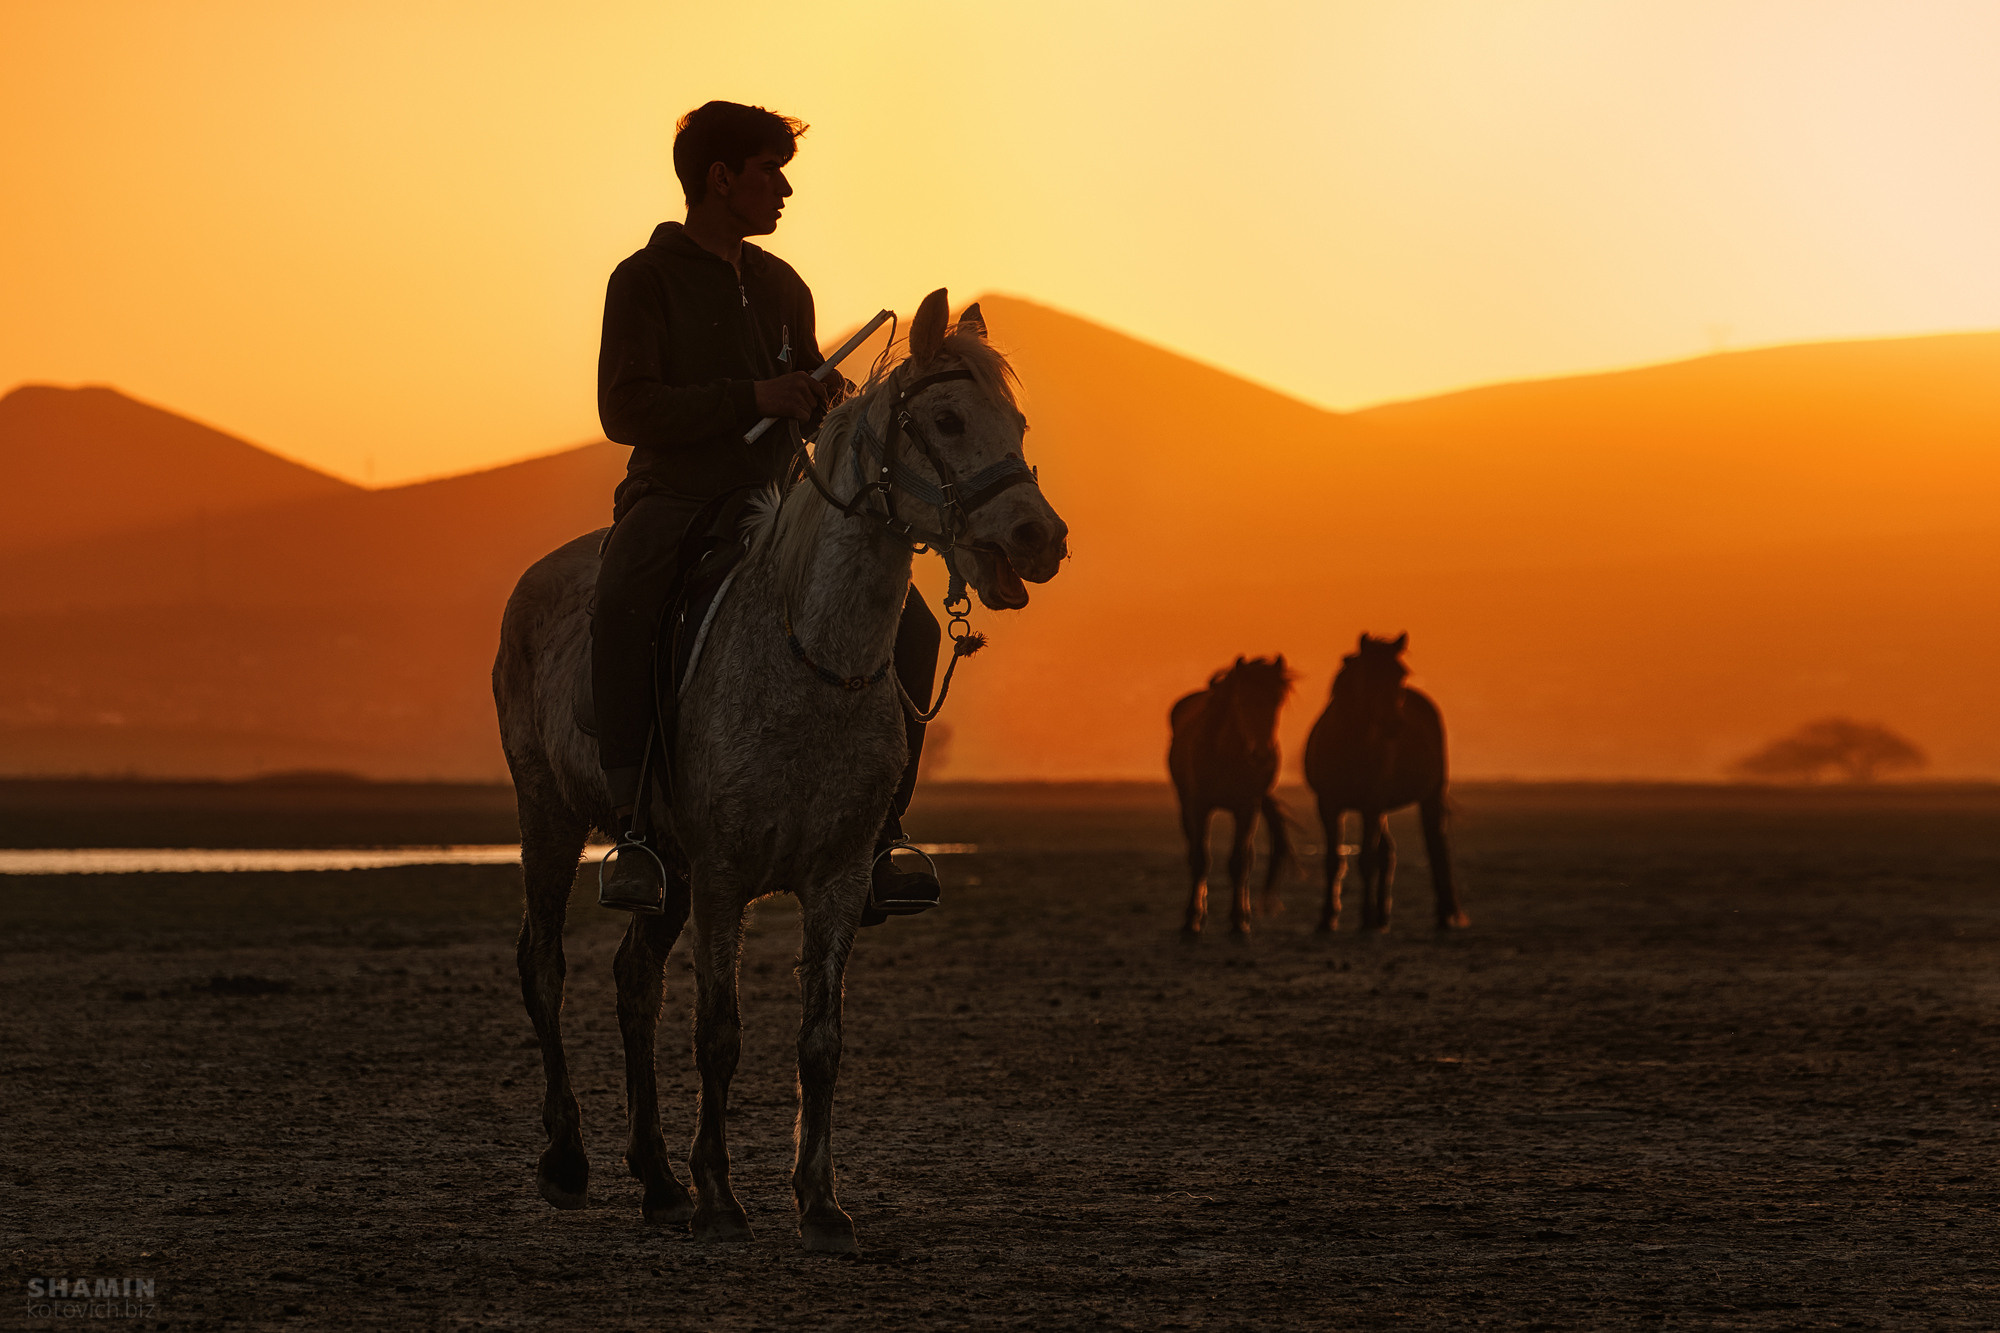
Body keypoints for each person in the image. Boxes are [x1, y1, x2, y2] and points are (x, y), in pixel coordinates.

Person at [591, 100, 942, 922]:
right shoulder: (643, 281)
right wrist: (753, 395)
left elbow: (800, 401)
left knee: (914, 624)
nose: (783, 188)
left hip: (784, 504)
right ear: (721, 178)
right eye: (767, 171)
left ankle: (881, 828)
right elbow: (625, 409)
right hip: (677, 498)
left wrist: (821, 401)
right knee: (623, 599)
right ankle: (639, 828)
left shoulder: (785, 287)